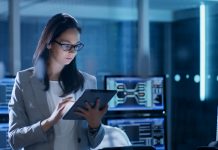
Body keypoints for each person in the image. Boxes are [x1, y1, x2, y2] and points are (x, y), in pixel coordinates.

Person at [8, 13, 108, 150]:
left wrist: (95, 125)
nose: (72, 52)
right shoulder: (24, 80)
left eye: (76, 45)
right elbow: (14, 140)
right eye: (66, 45)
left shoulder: (88, 82)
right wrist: (49, 122)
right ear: (49, 43)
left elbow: (94, 143)